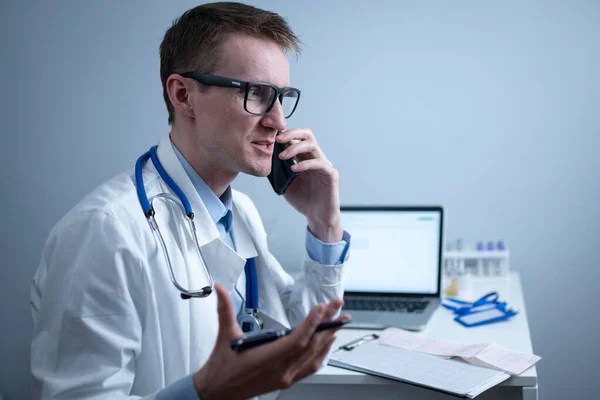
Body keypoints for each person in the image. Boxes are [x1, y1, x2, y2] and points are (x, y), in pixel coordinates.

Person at [29, 2, 351, 399]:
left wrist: (325, 225)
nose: (279, 121)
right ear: (183, 95)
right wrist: (202, 392)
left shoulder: (239, 213)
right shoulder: (105, 231)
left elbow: (297, 332)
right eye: (257, 94)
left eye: (282, 96)